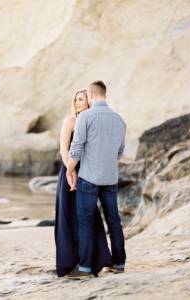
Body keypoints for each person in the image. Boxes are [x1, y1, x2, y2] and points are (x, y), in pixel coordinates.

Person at [65, 80, 127, 279]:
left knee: (85, 222)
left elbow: (76, 148)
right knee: (114, 221)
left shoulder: (85, 117)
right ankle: (119, 263)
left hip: (89, 178)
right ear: (104, 95)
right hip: (110, 179)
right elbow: (119, 152)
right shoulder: (119, 120)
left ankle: (84, 268)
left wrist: (70, 169)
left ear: (91, 96)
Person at [54, 88, 112, 278]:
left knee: (89, 217)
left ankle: (95, 261)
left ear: (90, 102)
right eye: (76, 99)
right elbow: (64, 151)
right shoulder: (69, 121)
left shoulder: (93, 122)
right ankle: (69, 263)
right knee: (68, 217)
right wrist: (71, 172)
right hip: (69, 173)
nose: (79, 102)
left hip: (88, 174)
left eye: (83, 99)